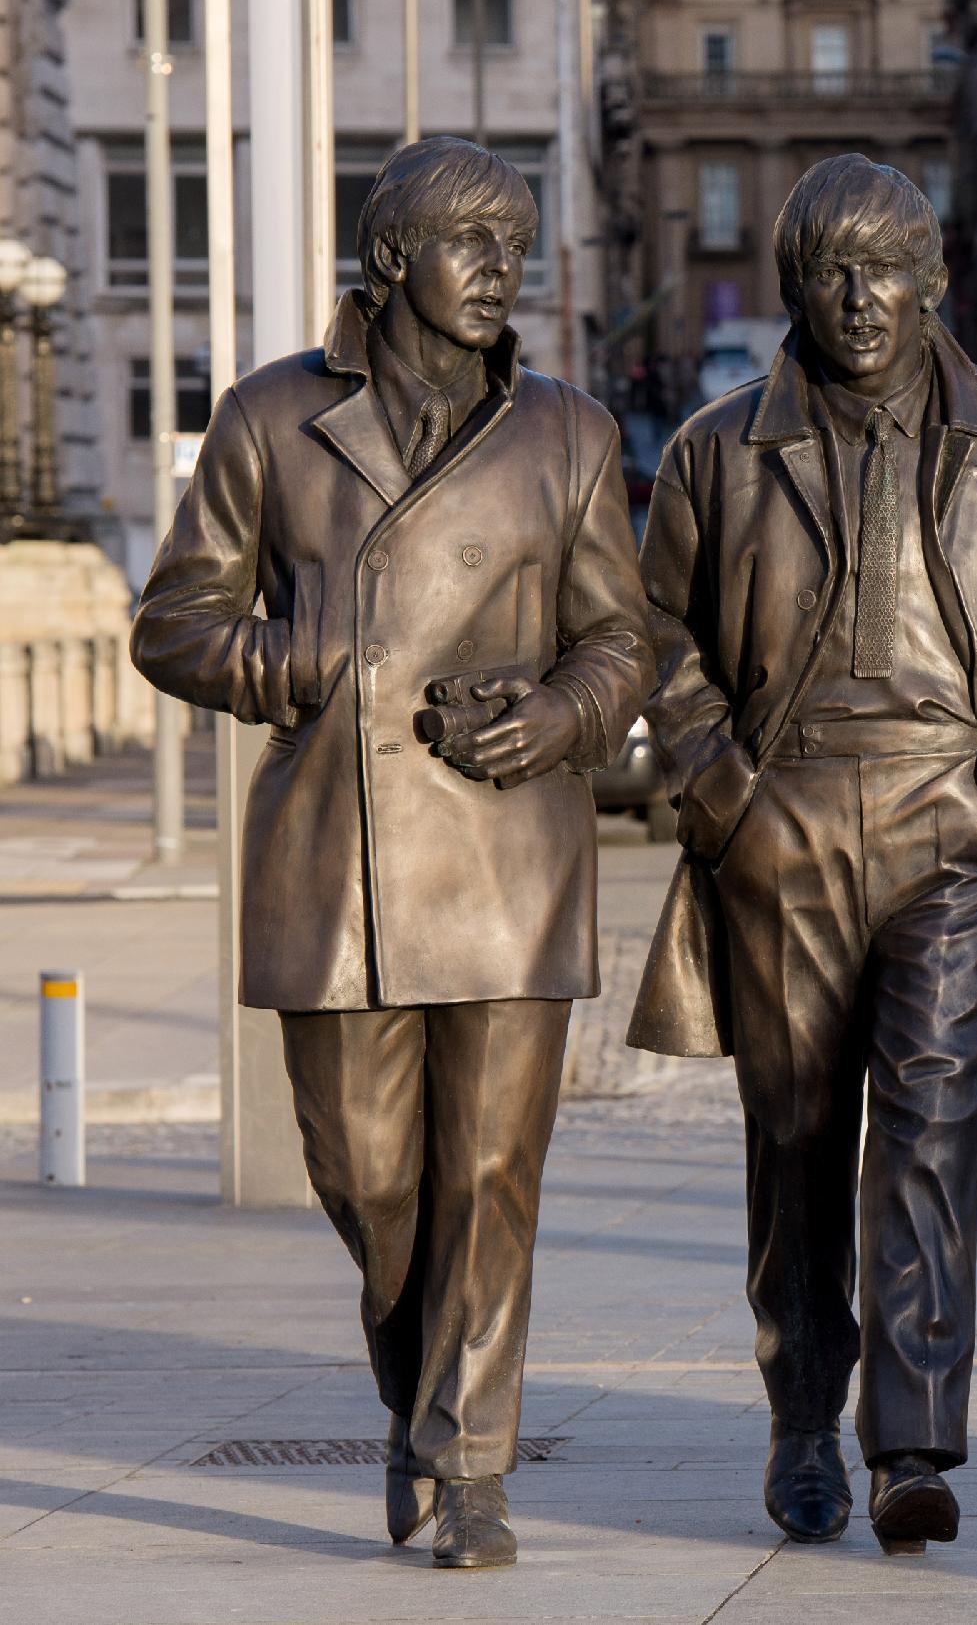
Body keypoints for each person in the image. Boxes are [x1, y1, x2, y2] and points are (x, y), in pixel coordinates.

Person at [131, 136, 653, 1568]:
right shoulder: (269, 419)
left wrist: (558, 711)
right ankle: (419, 1397)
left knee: (491, 1171)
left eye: (515, 245)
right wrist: (287, 662)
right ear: (389, 260)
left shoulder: (569, 432)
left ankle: (470, 1463)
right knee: (366, 1172)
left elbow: (625, 638)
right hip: (335, 858)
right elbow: (169, 621)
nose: (501, 270)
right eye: (470, 242)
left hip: (509, 855)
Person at [625, 154, 977, 1554]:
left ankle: (908, 1440)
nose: (857, 298)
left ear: (929, 276)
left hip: (950, 821)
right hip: (782, 823)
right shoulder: (719, 447)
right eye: (830, 270)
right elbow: (659, 640)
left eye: (882, 266)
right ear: (793, 286)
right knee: (794, 1134)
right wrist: (726, 799)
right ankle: (800, 1408)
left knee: (930, 1125)